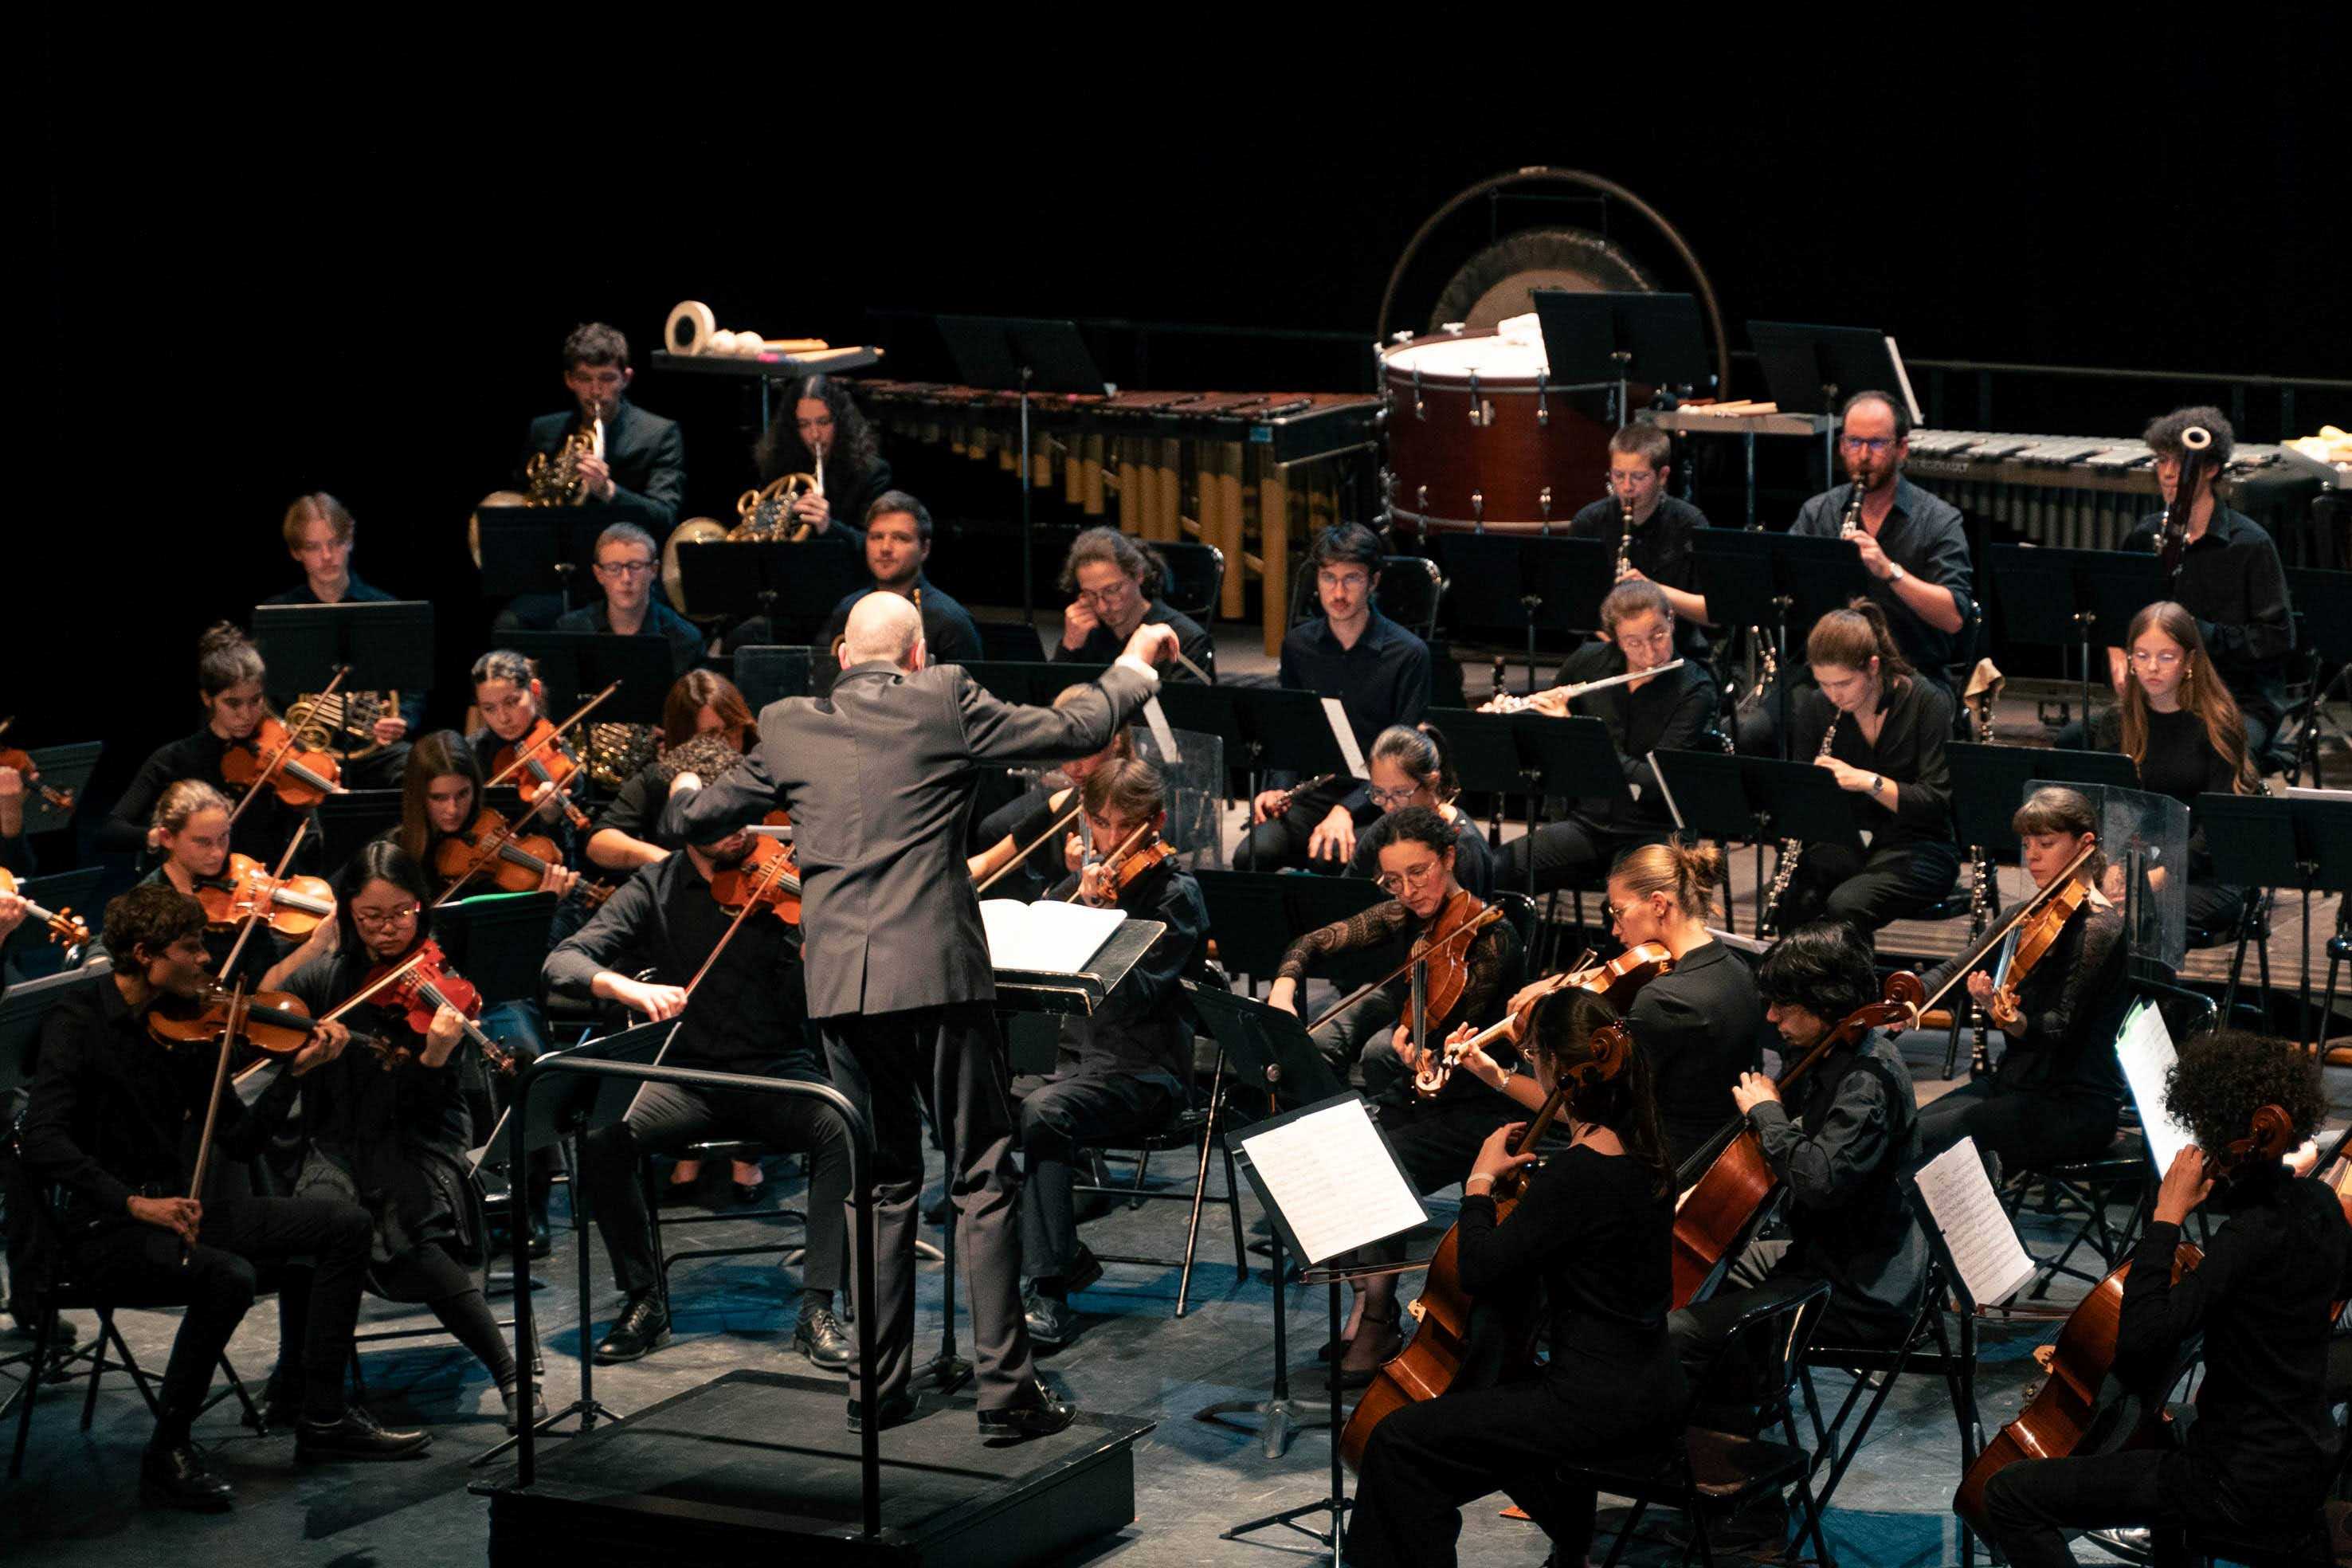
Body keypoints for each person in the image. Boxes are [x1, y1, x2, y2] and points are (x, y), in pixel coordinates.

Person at [661, 592, 1182, 1437]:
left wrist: (687, 782)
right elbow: (1074, 728)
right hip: (937, 977)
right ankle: (1006, 1395)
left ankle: (878, 1387)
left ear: (840, 657)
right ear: (913, 658)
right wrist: (1133, 667)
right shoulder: (943, 698)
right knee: (980, 1174)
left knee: (883, 1182)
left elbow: (694, 816)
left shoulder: (790, 725)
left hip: (840, 990)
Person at [18, 883, 429, 1510]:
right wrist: (133, 1203)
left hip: (177, 1214)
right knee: (228, 1276)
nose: (208, 964)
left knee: (342, 1226)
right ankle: (168, 1449)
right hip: (99, 1231)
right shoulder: (76, 1025)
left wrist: (292, 1077)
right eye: (191, 950)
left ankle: (321, 1418)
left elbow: (238, 1141)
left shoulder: (185, 1027)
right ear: (143, 953)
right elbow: (42, 1140)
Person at [1981, 1030, 2350, 1567]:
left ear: (2222, 1142)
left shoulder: (2247, 1238)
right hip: (2303, 1457)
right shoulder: (2318, 1204)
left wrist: (2166, 1218)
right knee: (2163, 1429)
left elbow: (2141, 1343)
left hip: (2235, 1480)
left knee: (2011, 1496)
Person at [1343, 987, 1681, 1568]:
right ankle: (1571, 1551)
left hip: (1592, 1405)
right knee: (1487, 1418)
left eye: (1533, 1060)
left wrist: (1478, 1184)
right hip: (1651, 1385)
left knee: (1399, 1444)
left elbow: (1478, 1269)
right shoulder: (1647, 1153)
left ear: (1556, 1067)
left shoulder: (1577, 1175)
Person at [544, 764, 854, 1373]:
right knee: (605, 1135)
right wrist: (624, 989)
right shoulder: (656, 888)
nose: (738, 828)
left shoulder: (793, 878)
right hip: (684, 1077)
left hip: (775, 1069)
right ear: (687, 824)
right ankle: (643, 1300)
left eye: (744, 812)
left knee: (841, 1126)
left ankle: (819, 1305)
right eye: (718, 817)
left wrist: (825, 946)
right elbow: (565, 960)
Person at [272, 843, 543, 1432]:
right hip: (338, 1138)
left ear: (421, 907)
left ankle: (512, 1374)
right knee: (316, 1219)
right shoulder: (324, 979)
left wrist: (436, 1054)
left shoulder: (443, 987)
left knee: (406, 1225)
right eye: (371, 916)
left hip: (420, 1137)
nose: (390, 929)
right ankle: (309, 1389)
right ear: (347, 913)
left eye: (402, 913)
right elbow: (270, 1015)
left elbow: (429, 1109)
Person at [1266, 806, 1521, 1378]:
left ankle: (1380, 1320)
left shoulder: (1494, 938)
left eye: (1420, 873)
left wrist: (1424, 1052)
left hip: (1482, 1106)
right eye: (1393, 880)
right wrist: (1286, 983)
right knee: (1342, 1150)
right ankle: (1366, 1296)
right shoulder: (1408, 915)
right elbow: (1314, 940)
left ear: (1449, 858)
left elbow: (1468, 1034)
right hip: (1424, 1097)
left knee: (1375, 1167)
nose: (1408, 890)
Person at [1014, 759, 1208, 1347]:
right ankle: (1055, 1255)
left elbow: (1138, 990)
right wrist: (1070, 902)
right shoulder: (1080, 885)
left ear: (1155, 823)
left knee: (1045, 1113)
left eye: (1126, 827)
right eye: (1101, 823)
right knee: (976, 1092)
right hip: (1070, 1062)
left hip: (1143, 1074)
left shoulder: (1176, 896)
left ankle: (1047, 1288)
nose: (1112, 840)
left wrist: (1101, 921)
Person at [1671, 920, 1926, 1350]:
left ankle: (1725, 1412)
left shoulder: (1867, 1084)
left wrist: (1767, 1114)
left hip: (1856, 1292)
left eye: (1783, 1007)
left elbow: (1818, 1181)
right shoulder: (1832, 1051)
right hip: (1823, 1255)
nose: (1771, 1017)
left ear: (1827, 1004)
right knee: (1703, 1274)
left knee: (1678, 1333)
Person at [1476, 841, 1763, 1176]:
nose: (1615, 930)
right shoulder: (1736, 969)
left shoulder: (1664, 1001)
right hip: (1721, 1156)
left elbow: (1581, 1107)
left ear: (1658, 904)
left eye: (1618, 912)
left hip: (1660, 1169)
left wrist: (1497, 1077)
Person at [1917, 787, 2129, 1175]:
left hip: (2072, 1103)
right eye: (2027, 843)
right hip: (2017, 1085)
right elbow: (1955, 969)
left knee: (1939, 1144)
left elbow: (2059, 1027)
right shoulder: (2026, 914)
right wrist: (1912, 998)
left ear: (2085, 845)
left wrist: (2012, 1019)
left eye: (2046, 843)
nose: (2032, 855)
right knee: (1909, 1130)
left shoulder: (2101, 928)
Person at [1497, 580, 1718, 896]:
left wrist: (1579, 735)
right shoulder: (1589, 661)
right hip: (1588, 823)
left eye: (1658, 635)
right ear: (1614, 639)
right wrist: (1514, 716)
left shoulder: (1695, 690)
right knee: (1493, 869)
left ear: (1671, 620)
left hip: (1654, 831)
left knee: (1630, 906)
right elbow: (1548, 726)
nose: (1650, 653)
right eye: (1633, 642)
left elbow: (1655, 780)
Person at [1768, 599, 1960, 938]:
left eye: (1843, 684)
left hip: (1918, 847)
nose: (1833, 696)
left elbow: (1935, 802)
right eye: (1824, 684)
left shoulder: (1927, 702)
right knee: (1796, 898)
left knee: (1846, 904)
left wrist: (1868, 782)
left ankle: (1854, 988)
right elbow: (1802, 790)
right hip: (1849, 842)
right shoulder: (1818, 707)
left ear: (1873, 667)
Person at [1245, 524, 1433, 870]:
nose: (1338, 592)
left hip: (1380, 800)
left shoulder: (1408, 654)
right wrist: (1278, 787)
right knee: (1253, 855)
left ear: (1373, 582)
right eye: (1329, 578)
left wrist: (1347, 808)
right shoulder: (1298, 647)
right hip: (1311, 794)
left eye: (1352, 579)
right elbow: (1288, 729)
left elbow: (1406, 756)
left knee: (1329, 857)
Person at [2118, 406, 2295, 761]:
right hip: (2162, 693)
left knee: (2209, 753)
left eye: (2179, 464)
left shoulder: (2250, 544)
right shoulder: (2147, 535)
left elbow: (2275, 639)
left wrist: (2194, 635)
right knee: (2082, 742)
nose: (2168, 474)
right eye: (2161, 461)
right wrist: (2118, 657)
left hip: (2237, 696)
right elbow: (2118, 615)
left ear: (2211, 469)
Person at [2091, 602, 2261, 936]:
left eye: (2166, 657)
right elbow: (2110, 807)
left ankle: (2151, 988)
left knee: (2135, 918)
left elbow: (2216, 829)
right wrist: (2109, 864)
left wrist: (2159, 876)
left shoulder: (2217, 725)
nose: (2152, 667)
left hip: (2207, 876)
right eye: (2141, 656)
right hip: (2138, 867)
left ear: (2189, 661)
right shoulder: (2118, 722)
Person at [1789, 390, 1974, 696]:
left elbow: (1953, 618)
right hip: (1830, 674)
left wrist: (1889, 570)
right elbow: (1784, 588)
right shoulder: (1818, 513)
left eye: (1876, 443)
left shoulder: (1939, 520)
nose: (1863, 455)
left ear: (1902, 449)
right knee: (1757, 731)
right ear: (1841, 446)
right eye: (1854, 442)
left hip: (1911, 674)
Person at [101, 624, 312, 870]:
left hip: (264, 889)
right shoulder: (174, 758)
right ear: (207, 699)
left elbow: (309, 841)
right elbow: (111, 831)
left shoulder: (281, 755)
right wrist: (156, 837)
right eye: (233, 704)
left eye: (255, 701)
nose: (246, 714)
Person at [261, 492, 421, 786]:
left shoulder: (384, 609)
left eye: (335, 543)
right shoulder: (279, 614)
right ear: (296, 553)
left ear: (350, 541)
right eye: (313, 547)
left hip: (375, 751)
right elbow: (270, 697)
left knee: (417, 764)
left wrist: (402, 720)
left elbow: (412, 685)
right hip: (305, 751)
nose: (326, 556)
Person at [141, 778, 325, 992]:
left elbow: (262, 987)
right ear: (167, 838)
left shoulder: (242, 888)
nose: (218, 853)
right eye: (203, 842)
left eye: (224, 837)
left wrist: (317, 945)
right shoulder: (150, 903)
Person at [965, 688, 1135, 904]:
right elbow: (989, 863)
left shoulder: (1135, 803)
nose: (1073, 767)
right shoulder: (1062, 803)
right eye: (1065, 753)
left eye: (1084, 752)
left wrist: (1078, 873)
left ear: (1115, 740)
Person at [586, 669, 759, 874]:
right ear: (684, 738)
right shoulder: (659, 778)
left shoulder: (761, 773)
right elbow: (599, 842)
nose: (724, 744)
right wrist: (664, 860)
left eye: (732, 729)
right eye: (710, 735)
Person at [1565, 423, 1716, 655]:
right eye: (1618, 475)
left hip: (1675, 651)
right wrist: (1616, 636)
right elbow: (1573, 607)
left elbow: (1714, 613)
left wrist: (1653, 590)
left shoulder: (1689, 523)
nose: (1626, 487)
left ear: (1663, 475)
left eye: (1638, 477)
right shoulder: (1589, 522)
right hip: (1606, 650)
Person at [519, 321, 684, 531]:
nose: (596, 391)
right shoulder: (544, 430)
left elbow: (665, 517)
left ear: (626, 379)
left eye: (607, 379)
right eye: (585, 379)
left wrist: (608, 491)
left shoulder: (660, 434)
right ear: (569, 380)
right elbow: (523, 502)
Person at [804, 492, 984, 683]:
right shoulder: (847, 609)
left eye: (900, 538)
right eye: (876, 537)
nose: (885, 548)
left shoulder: (951, 620)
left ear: (925, 548)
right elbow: (821, 678)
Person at [1346, 723, 1493, 900]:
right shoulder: (1385, 828)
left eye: (1400, 793)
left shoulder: (1464, 846)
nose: (1389, 806)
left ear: (1432, 782)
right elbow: (1347, 895)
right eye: (1379, 793)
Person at [1051, 527, 1213, 680]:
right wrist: (1069, 647)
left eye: (1112, 590)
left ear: (1138, 575)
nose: (1102, 607)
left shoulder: (1186, 639)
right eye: (1090, 594)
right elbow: (1048, 702)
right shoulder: (1084, 633)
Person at [750, 373, 892, 544]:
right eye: (804, 425)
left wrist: (829, 526)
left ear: (840, 423)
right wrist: (787, 513)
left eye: (823, 422)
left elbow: (875, 545)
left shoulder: (872, 473)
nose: (815, 434)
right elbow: (757, 529)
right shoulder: (778, 465)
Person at [554, 521, 708, 679]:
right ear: (599, 574)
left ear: (654, 570)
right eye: (614, 568)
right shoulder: (571, 629)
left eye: (635, 566)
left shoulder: (684, 639)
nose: (626, 578)